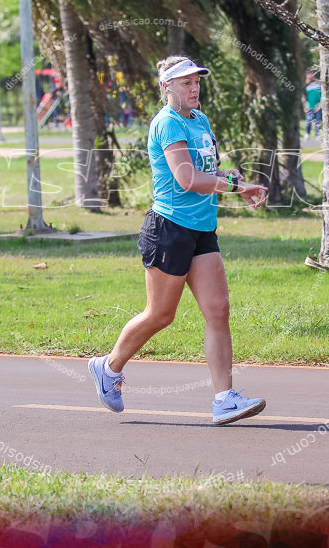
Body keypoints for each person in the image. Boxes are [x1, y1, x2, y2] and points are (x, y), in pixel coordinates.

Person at [88, 56, 269, 425]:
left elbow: (205, 172)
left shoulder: (199, 120)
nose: (194, 87)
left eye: (197, 81)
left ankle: (224, 399)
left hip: (202, 228)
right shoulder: (167, 124)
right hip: (169, 229)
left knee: (218, 309)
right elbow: (186, 179)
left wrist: (227, 176)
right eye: (185, 83)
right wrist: (238, 185)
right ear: (166, 87)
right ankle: (108, 366)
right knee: (161, 315)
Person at [303, 71, 322, 140]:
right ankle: (307, 134)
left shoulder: (318, 84)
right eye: (309, 75)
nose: (310, 76)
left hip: (318, 107)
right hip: (309, 107)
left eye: (312, 74)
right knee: (308, 121)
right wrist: (305, 106)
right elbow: (304, 97)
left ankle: (317, 135)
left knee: (317, 121)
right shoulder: (306, 86)